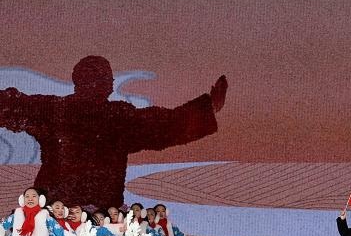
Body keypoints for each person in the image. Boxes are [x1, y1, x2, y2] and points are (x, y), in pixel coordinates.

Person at [0, 56, 227, 211]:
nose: (111, 83)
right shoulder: (118, 117)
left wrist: (207, 108)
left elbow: (12, 105)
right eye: (108, 78)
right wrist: (208, 107)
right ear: (98, 82)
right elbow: (166, 125)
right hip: (90, 213)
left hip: (63, 209)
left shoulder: (54, 110)